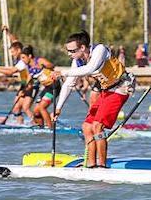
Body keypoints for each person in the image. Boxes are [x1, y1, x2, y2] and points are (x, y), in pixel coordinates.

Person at [53, 31, 135, 169]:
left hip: (121, 87)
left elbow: (90, 68)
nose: (69, 54)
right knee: (87, 126)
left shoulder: (100, 49)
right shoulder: (77, 61)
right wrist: (58, 108)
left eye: (72, 51)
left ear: (83, 48)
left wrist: (62, 72)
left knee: (98, 126)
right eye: (68, 51)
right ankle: (91, 165)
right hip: (106, 89)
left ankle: (101, 165)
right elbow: (69, 84)